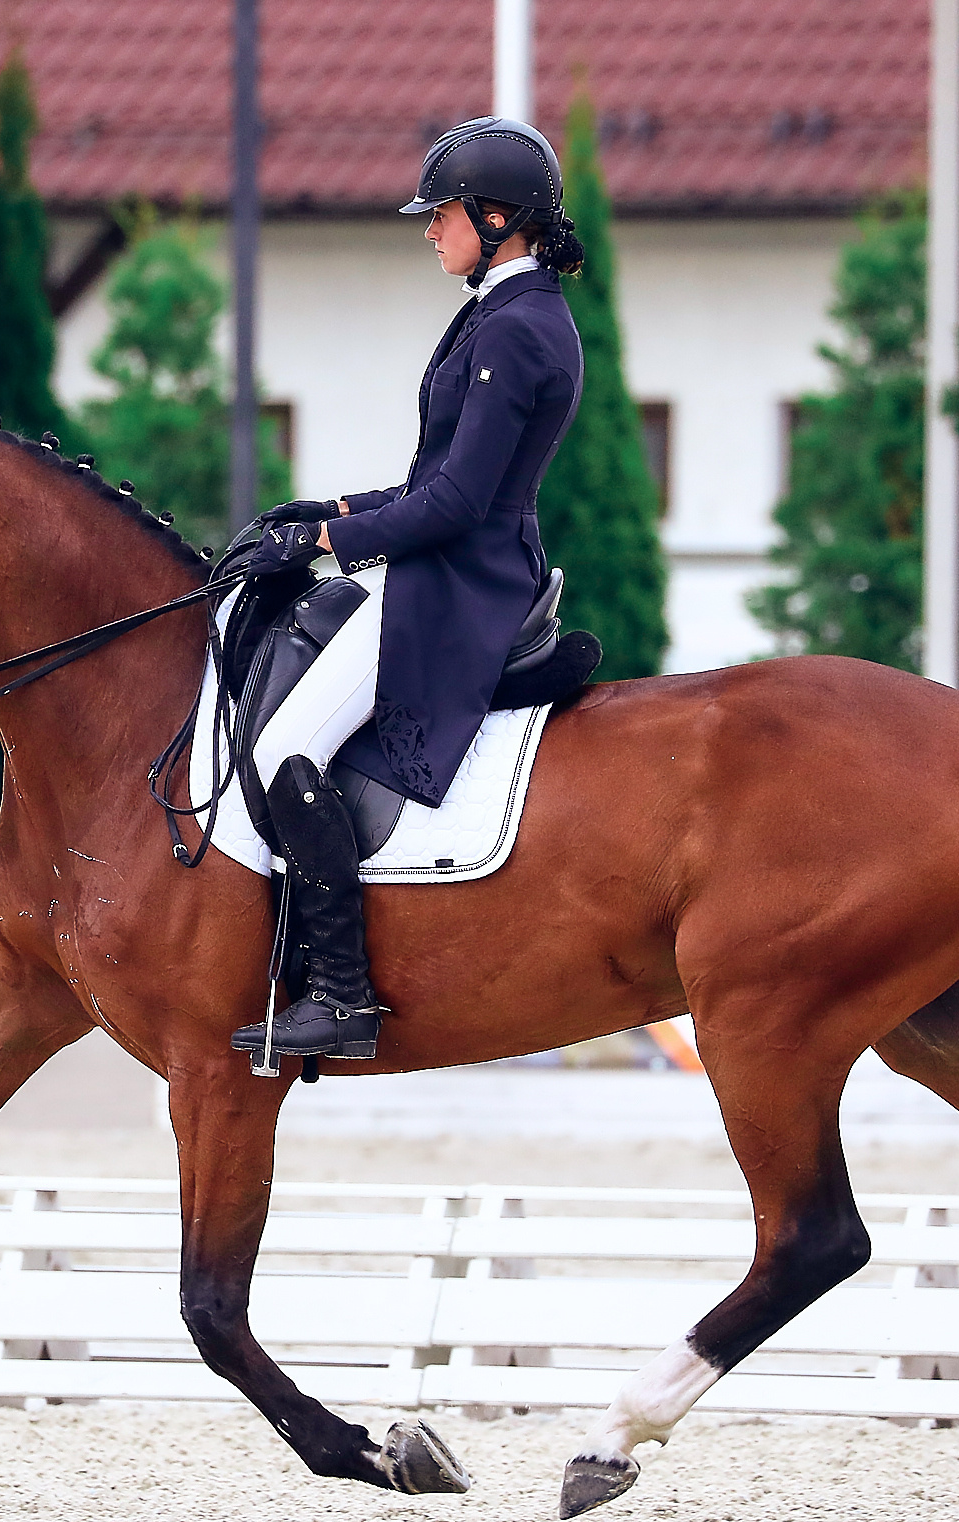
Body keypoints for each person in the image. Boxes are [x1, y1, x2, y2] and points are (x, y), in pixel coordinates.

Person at [229, 117, 588, 1064]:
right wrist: (331, 505)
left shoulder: (517, 327)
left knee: (284, 744)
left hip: (460, 581)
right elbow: (434, 482)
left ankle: (342, 994)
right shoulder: (502, 311)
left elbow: (460, 505)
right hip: (452, 560)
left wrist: (324, 541)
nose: (430, 230)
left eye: (442, 215)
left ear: (497, 216)